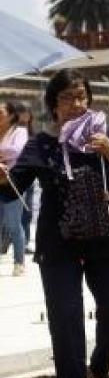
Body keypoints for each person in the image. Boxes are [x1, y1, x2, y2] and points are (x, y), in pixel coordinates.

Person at [0, 69, 109, 378]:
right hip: (58, 246)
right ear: (53, 105)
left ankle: (101, 367)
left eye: (81, 96)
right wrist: (2, 176)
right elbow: (11, 189)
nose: (77, 104)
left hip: (107, 241)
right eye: (67, 98)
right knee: (65, 318)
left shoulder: (103, 136)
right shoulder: (41, 145)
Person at [0, 102, 29, 275]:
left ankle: (19, 262)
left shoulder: (20, 132)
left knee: (13, 224)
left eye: (1, 112)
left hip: (12, 182)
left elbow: (17, 150)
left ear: (11, 115)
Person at [14, 102, 36, 252]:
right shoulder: (11, 131)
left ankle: (26, 242)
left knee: (27, 211)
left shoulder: (32, 134)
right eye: (22, 112)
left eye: (27, 112)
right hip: (14, 175)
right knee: (10, 212)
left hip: (30, 177)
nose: (25, 115)